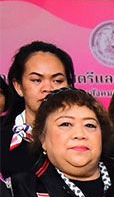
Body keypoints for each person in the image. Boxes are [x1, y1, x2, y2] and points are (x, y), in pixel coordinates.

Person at [2, 42, 74, 181]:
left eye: (58, 80)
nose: (48, 88)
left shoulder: (85, 138)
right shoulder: (3, 143)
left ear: (69, 86)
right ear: (18, 87)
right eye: (36, 80)